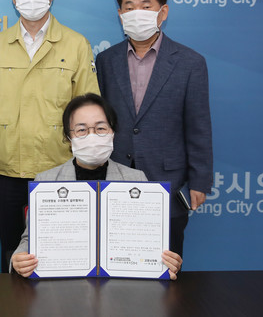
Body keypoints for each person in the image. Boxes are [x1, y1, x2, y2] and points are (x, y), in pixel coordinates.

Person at [0, 0, 100, 272]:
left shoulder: (76, 45)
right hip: (8, 170)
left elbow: (88, 111)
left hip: (60, 167)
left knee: (62, 252)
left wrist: (84, 163)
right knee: (12, 253)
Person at [95, 0, 213, 257]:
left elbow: (198, 126)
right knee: (116, 261)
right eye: (129, 6)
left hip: (167, 183)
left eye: (146, 6)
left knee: (166, 266)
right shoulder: (106, 61)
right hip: (115, 180)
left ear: (163, 12)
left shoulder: (190, 63)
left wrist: (199, 181)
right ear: (120, 14)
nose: (137, 13)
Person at [10, 93, 183, 280]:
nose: (92, 136)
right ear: (68, 136)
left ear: (112, 132)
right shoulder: (46, 181)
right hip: (64, 283)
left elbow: (149, 240)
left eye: (100, 128)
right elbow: (30, 238)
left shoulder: (136, 179)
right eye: (81, 130)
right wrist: (19, 259)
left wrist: (166, 262)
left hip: (120, 285)